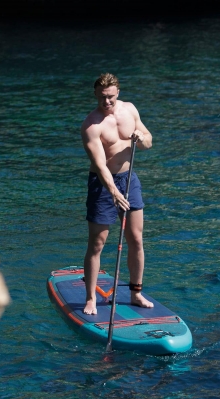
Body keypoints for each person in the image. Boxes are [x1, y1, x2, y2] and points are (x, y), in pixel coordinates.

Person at [81, 73, 153, 315]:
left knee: (136, 238)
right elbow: (100, 165)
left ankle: (136, 293)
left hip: (129, 178)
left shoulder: (130, 110)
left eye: (110, 96)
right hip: (103, 185)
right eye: (102, 97)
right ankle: (90, 298)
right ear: (95, 95)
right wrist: (113, 191)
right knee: (98, 243)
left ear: (118, 93)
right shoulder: (91, 125)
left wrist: (141, 138)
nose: (107, 102)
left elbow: (148, 141)